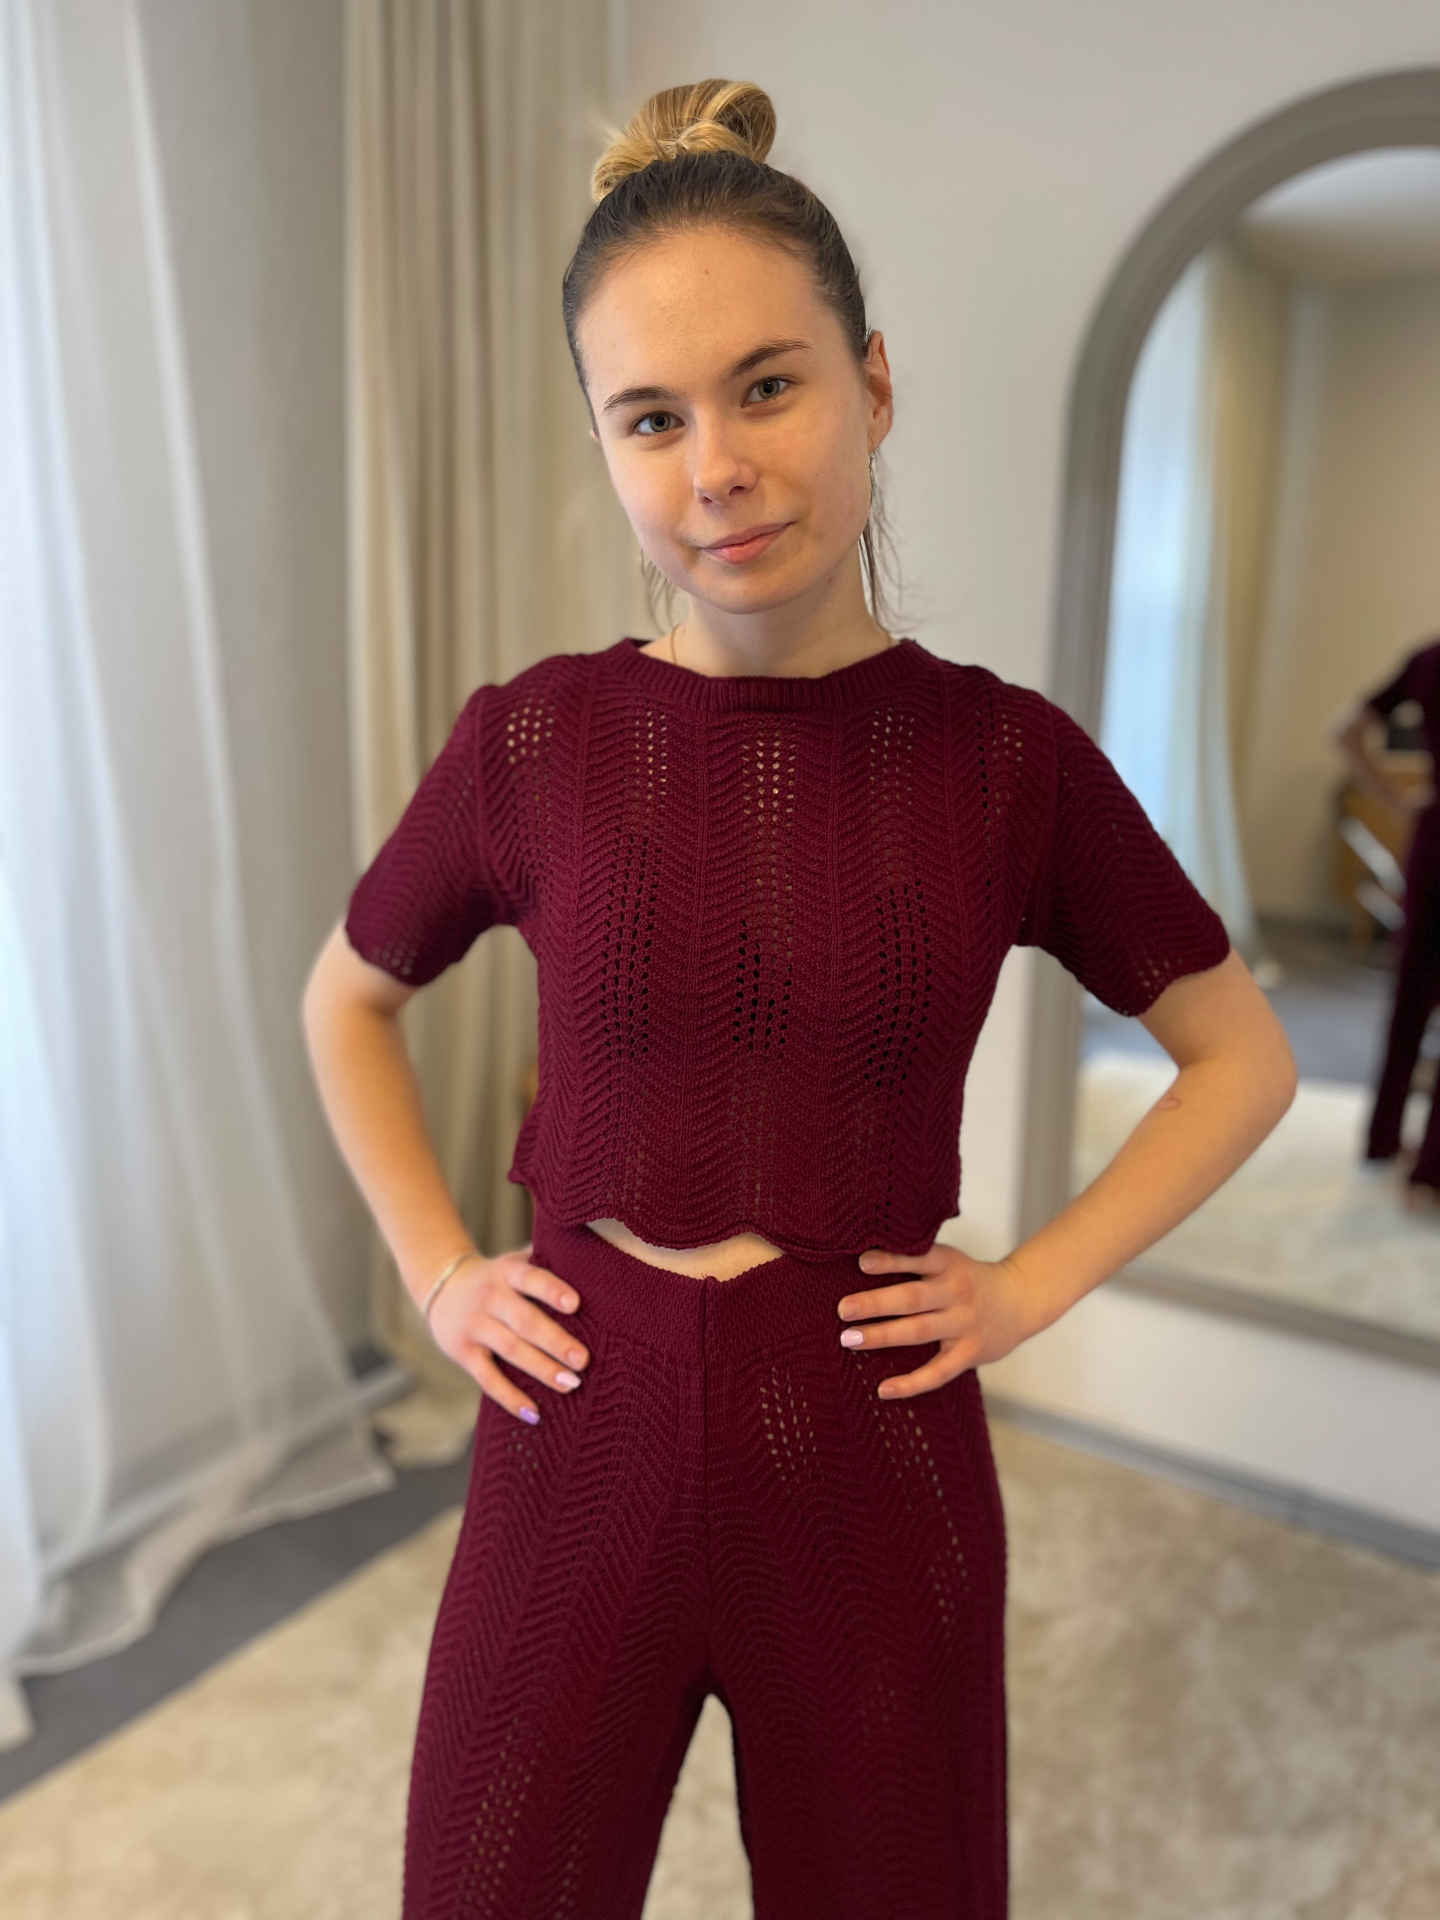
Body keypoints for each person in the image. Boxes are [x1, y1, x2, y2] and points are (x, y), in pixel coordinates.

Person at [302, 79, 1296, 1920]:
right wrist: (442, 1275)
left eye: (768, 387)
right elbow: (344, 1000)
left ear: (875, 385)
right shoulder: (534, 739)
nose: (717, 468)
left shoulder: (1008, 762)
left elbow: (1239, 1056)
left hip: (868, 1449)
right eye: (653, 417)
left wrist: (1028, 1286)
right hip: (575, 1427)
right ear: (607, 447)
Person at [1332, 635, 1440, 1204]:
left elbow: (1344, 730)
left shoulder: (1429, 659)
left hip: (1434, 842)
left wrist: (1397, 799)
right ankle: (1432, 1172)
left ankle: (1381, 1140)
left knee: (1409, 996)